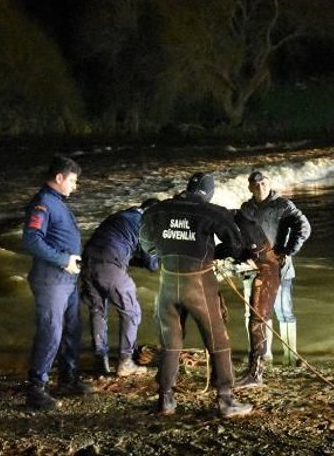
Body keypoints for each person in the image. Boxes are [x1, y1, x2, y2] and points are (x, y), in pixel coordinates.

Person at [139, 172, 252, 418]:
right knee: (218, 341)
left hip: (168, 283)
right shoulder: (213, 212)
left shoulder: (159, 209)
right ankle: (225, 400)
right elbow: (236, 245)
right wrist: (215, 253)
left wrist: (168, 251)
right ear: (208, 192)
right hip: (199, 283)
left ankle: (165, 399)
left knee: (171, 343)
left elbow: (146, 244)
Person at [21, 156, 92, 410]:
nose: (75, 186)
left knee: (72, 328)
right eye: (72, 180)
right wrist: (63, 260)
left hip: (68, 278)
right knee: (51, 330)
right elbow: (31, 240)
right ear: (59, 178)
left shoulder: (57, 202)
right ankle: (36, 390)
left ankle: (68, 378)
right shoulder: (43, 204)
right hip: (51, 279)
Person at [80, 198, 160, 378]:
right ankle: (126, 362)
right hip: (109, 265)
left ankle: (101, 362)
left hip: (87, 262)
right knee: (132, 312)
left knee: (98, 311)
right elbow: (152, 264)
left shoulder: (122, 216)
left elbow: (125, 246)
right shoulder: (146, 224)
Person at [241, 171, 311, 366]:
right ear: (249, 187)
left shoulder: (284, 206)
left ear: (269, 184)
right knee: (254, 313)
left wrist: (288, 251)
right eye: (255, 184)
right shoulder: (245, 209)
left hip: (280, 269)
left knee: (284, 310)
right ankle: (262, 354)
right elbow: (240, 237)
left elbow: (304, 227)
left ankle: (290, 354)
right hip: (253, 269)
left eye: (263, 183)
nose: (259, 187)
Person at [228, 209, 281, 388]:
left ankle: (255, 373)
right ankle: (254, 370)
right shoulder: (241, 221)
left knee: (257, 321)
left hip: (267, 273)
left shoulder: (245, 227)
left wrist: (233, 262)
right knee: (256, 321)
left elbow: (249, 253)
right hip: (263, 270)